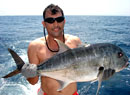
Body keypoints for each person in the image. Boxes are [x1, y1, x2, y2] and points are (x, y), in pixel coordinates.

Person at [27, 4, 82, 95]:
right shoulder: (35, 47)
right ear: (44, 24)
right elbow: (33, 81)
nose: (56, 24)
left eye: (59, 20)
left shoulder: (75, 42)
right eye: (50, 20)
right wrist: (27, 72)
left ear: (64, 21)